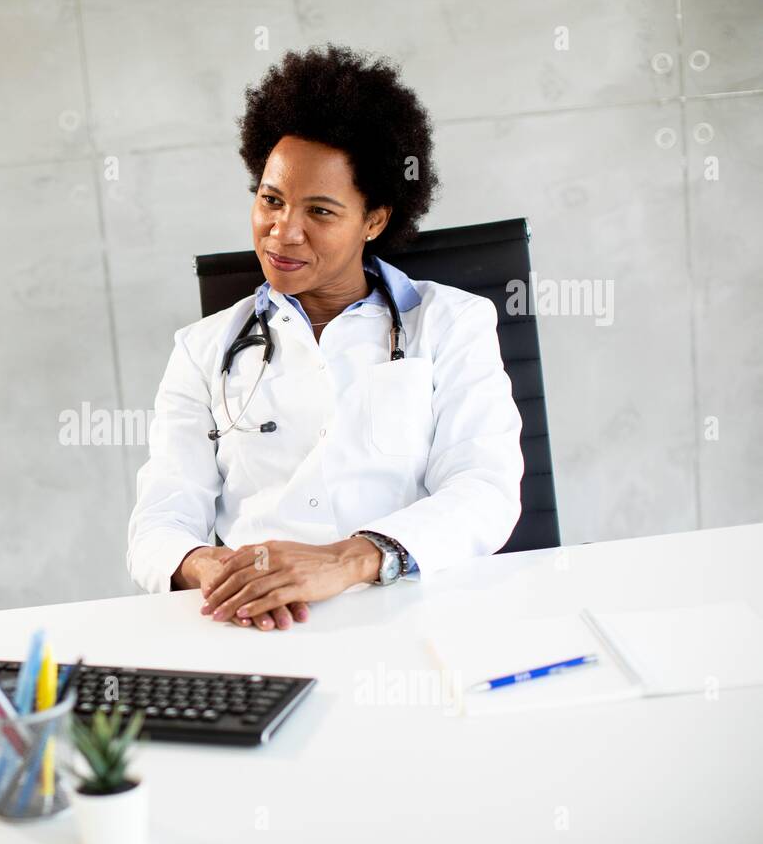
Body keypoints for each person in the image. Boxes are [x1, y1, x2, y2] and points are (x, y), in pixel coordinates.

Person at [127, 44, 523, 631]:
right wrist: (210, 567)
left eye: (320, 211)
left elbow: (485, 491)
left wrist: (347, 560)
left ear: (375, 220)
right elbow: (159, 521)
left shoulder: (451, 324)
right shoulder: (202, 349)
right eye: (271, 200)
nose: (283, 233)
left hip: (417, 617)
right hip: (259, 624)